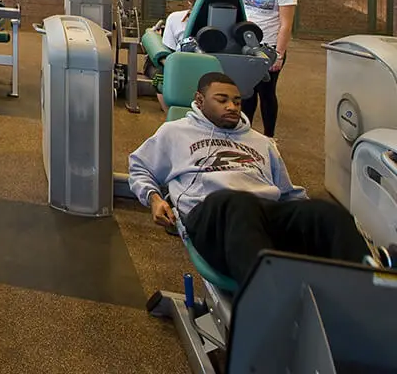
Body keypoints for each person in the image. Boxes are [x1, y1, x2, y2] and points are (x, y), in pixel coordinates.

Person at [128, 72, 375, 284]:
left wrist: (307, 215)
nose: (232, 107)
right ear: (200, 100)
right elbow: (140, 166)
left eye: (237, 101)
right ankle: (267, 297)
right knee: (237, 203)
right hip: (211, 213)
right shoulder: (175, 132)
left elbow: (288, 192)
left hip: (264, 213)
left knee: (326, 212)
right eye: (222, 100)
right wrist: (154, 198)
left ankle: (370, 289)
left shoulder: (261, 142)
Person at [235, 0, 297, 136]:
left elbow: (286, 25)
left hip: (268, 46)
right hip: (244, 44)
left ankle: (269, 137)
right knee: (246, 92)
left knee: (266, 92)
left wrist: (279, 54)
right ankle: (244, 133)